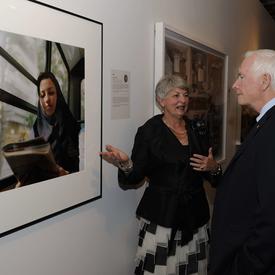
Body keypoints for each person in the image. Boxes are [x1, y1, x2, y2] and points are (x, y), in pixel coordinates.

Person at [101, 75, 221, 274]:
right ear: (161, 101)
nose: (182, 100)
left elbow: (214, 178)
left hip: (195, 219)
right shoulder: (149, 132)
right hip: (162, 220)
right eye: (176, 95)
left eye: (185, 95)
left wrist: (213, 167)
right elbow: (134, 177)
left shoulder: (197, 129)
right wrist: (125, 163)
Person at [209, 49, 275, 275]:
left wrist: (242, 267)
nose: (235, 85)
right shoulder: (264, 123)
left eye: (241, 77)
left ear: (265, 81)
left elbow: (270, 217)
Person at [32, 72, 80, 175]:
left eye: (51, 93)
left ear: (57, 94)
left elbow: (77, 164)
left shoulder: (69, 123)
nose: (47, 99)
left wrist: (66, 174)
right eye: (42, 95)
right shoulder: (36, 126)